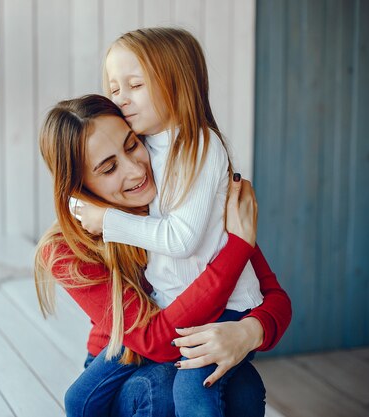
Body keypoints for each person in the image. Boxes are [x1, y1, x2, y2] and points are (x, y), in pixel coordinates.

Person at [34, 94, 291, 417]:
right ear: (78, 186)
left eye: (132, 145)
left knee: (243, 386)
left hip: (191, 348)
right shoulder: (66, 248)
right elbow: (154, 340)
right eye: (110, 167)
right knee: (163, 385)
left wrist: (248, 332)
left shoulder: (187, 202)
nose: (135, 170)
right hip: (122, 369)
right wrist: (238, 247)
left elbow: (273, 297)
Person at [73, 28, 271, 416]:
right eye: (114, 88)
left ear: (176, 85)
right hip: (167, 310)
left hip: (222, 308)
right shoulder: (146, 145)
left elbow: (181, 239)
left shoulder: (200, 145)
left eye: (135, 85)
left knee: (193, 392)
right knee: (79, 399)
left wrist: (107, 220)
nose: (120, 98)